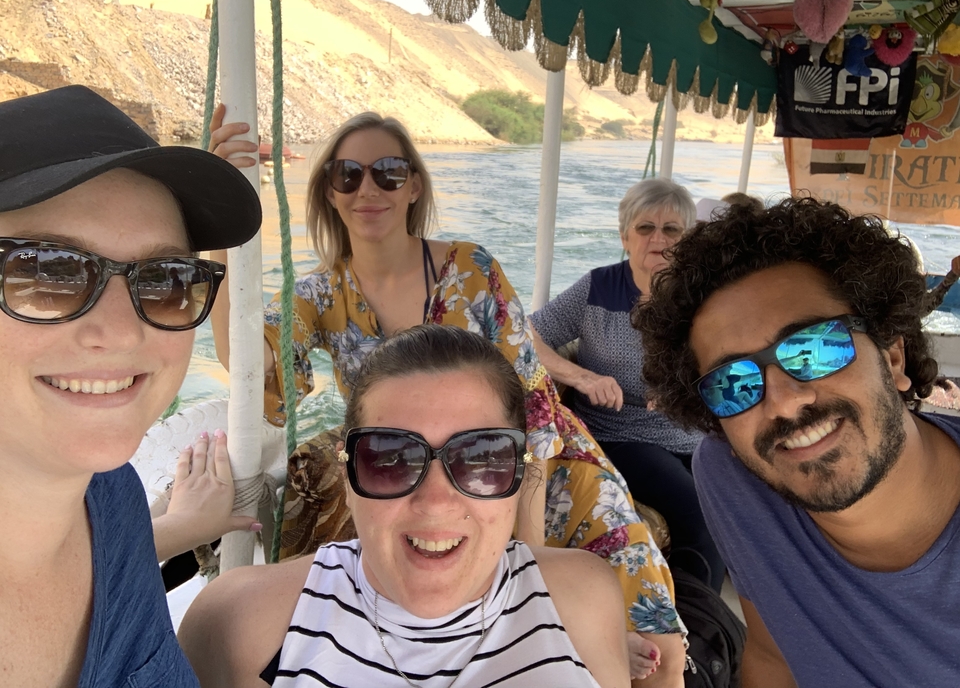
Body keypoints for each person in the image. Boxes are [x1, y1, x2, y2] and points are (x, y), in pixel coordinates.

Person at [209, 109, 686, 683]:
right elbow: (248, 362)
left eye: (388, 172)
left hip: (536, 467)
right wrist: (221, 235)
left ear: (413, 186)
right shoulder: (318, 294)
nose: (368, 188)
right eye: (347, 175)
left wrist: (525, 567)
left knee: (660, 643)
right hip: (410, 470)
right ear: (329, 192)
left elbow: (534, 412)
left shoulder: (472, 269)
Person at [178, 324, 633, 686]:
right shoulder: (240, 624)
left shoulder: (584, 598)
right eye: (390, 458)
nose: (435, 502)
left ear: (519, 475)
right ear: (348, 475)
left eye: (482, 457)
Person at [634, 197, 960, 688]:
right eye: (732, 382)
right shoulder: (733, 475)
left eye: (814, 348)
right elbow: (774, 655)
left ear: (893, 356)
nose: (783, 402)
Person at [0, 86, 261, 686]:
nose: (122, 332)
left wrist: (173, 531)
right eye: (48, 272)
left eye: (164, 279)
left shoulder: (111, 499)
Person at [529, 178, 723, 592]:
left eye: (671, 229)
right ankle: (697, 629)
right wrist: (581, 376)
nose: (658, 239)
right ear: (624, 237)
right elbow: (527, 335)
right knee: (700, 513)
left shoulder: (701, 298)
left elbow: (726, 362)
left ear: (686, 238)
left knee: (740, 500)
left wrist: (685, 387)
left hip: (692, 432)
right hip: (618, 434)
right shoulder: (598, 287)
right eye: (645, 228)